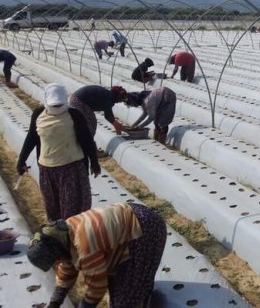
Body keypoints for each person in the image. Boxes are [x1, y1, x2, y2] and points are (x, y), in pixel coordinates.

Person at [26, 202, 166, 308]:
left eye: (55, 260)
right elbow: (67, 267)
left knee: (128, 295)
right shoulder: (61, 235)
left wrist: (85, 306)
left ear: (56, 251)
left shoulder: (83, 247)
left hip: (146, 229)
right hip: (131, 220)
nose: (57, 263)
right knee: (119, 289)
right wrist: (55, 303)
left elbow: (97, 287)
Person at [16, 84, 100, 221]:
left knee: (73, 210)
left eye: (59, 105)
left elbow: (87, 140)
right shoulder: (39, 114)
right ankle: (58, 238)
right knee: (53, 208)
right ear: (46, 101)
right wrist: (21, 160)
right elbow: (31, 137)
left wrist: (94, 162)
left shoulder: (74, 115)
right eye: (53, 105)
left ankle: (74, 238)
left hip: (72, 169)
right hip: (47, 171)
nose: (57, 108)